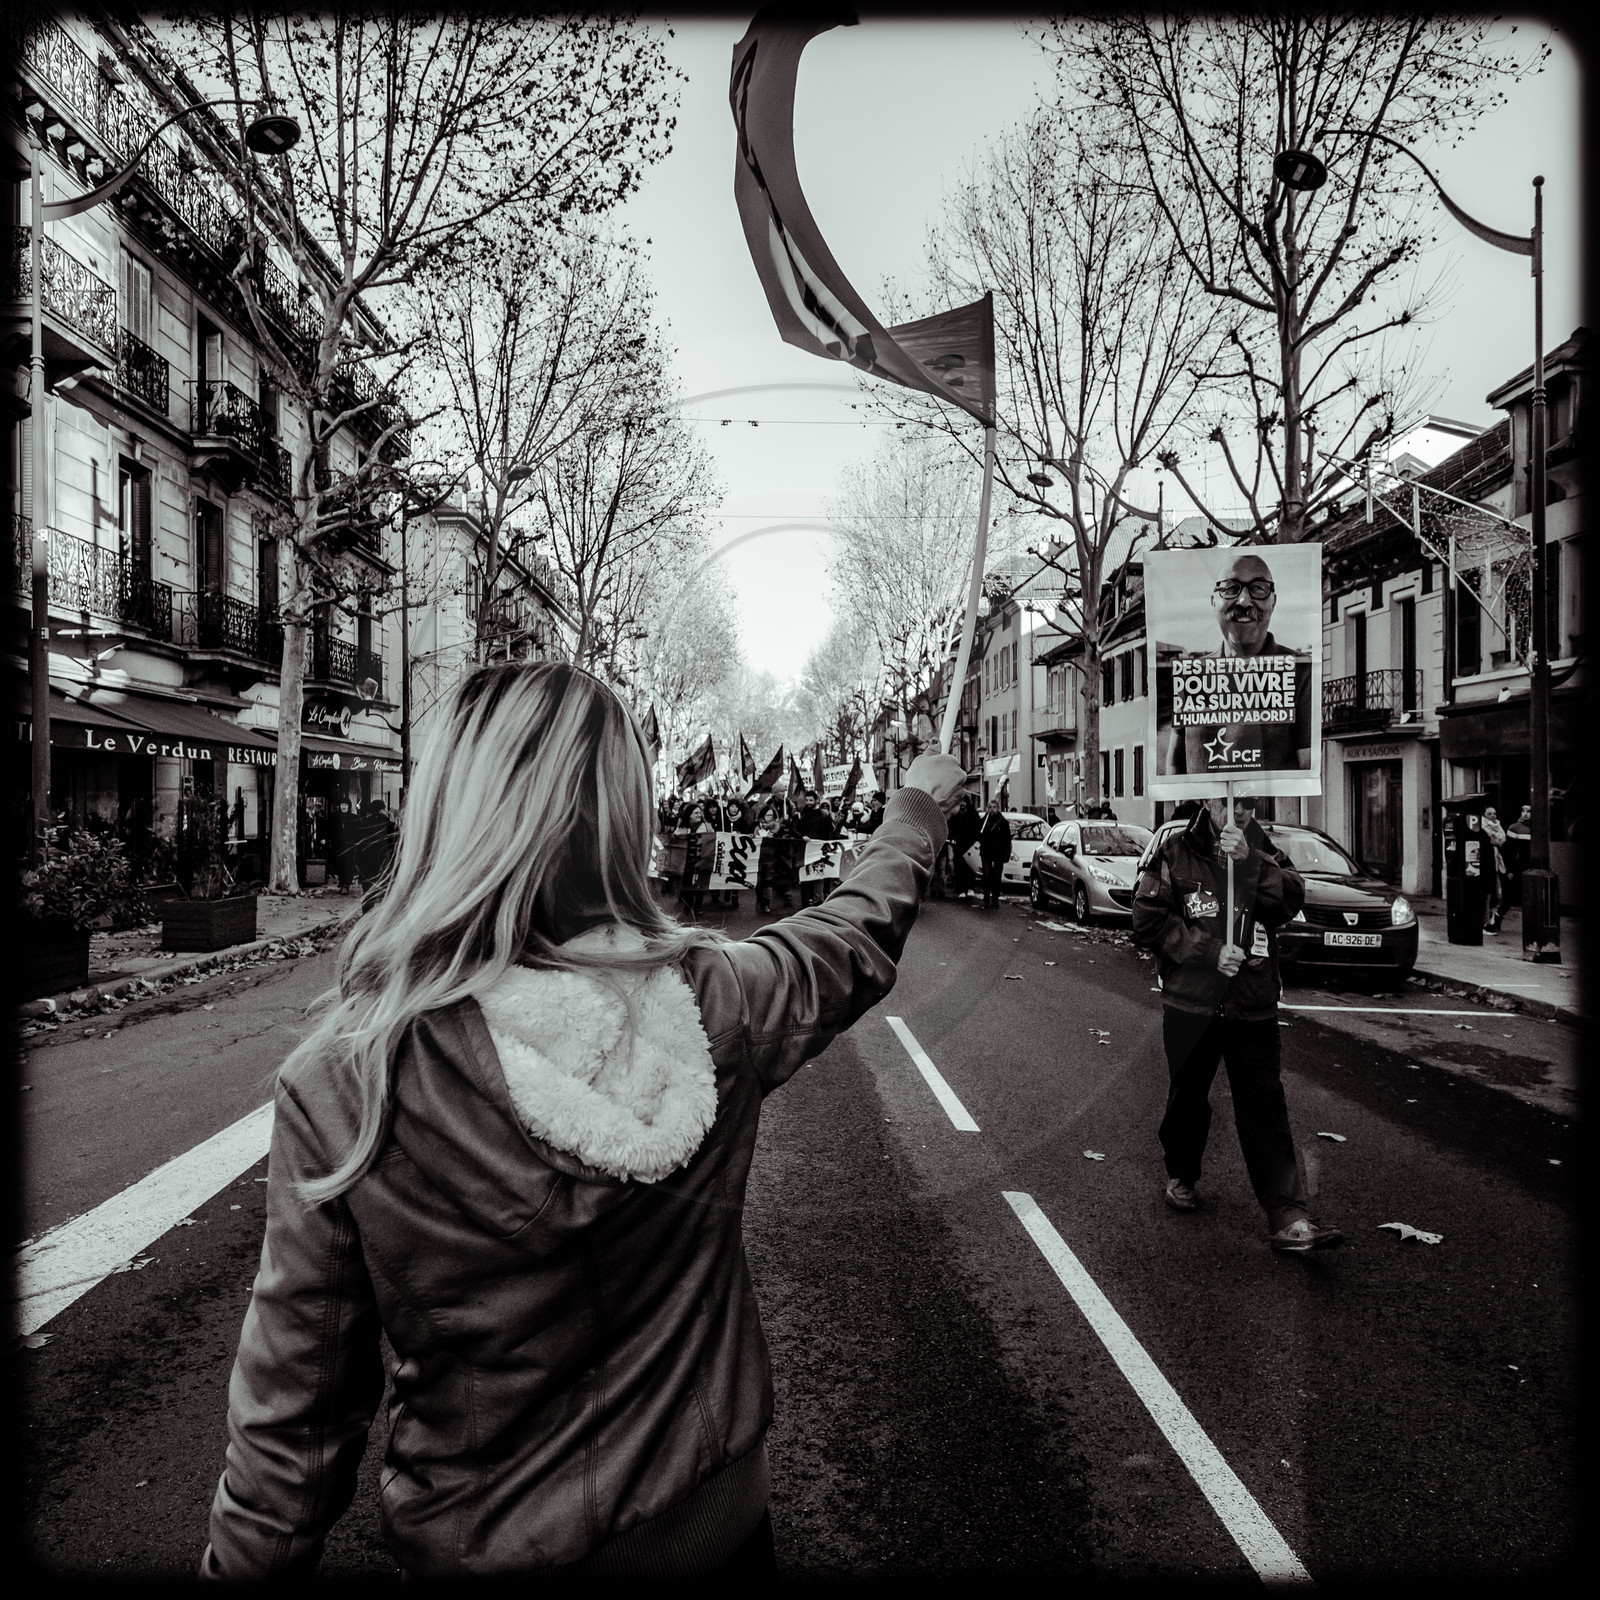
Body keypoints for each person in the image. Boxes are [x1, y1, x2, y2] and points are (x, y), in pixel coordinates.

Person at [200, 660, 966, 1581]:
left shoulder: (349, 1083)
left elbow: (291, 1432)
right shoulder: (711, 1005)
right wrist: (914, 812)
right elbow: (849, 936)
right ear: (622, 821)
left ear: (450, 811)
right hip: (715, 1533)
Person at [1131, 792, 1343, 1254]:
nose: (1240, 812)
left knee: (1264, 1105)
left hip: (1253, 1004)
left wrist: (1250, 863)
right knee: (1187, 1097)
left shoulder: (1264, 851)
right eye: (1231, 803)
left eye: (1248, 802)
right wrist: (1208, 952)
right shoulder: (1174, 852)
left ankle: (1288, 1214)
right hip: (1192, 1006)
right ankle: (1182, 1172)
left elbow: (1290, 900)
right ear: (1210, 799)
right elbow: (1146, 921)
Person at [1165, 551, 1314, 777]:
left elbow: (1308, 772)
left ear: (1273, 601)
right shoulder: (1191, 676)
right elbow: (1175, 766)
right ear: (1213, 601)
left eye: (1259, 588)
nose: (1244, 601)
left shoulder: (1301, 671)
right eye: (1230, 588)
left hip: (1269, 813)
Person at [356, 798, 397, 912]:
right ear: (382, 810)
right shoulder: (391, 825)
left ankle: (366, 920)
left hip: (367, 867)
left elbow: (358, 848)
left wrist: (359, 866)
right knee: (386, 894)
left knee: (368, 895)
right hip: (385, 865)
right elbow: (396, 847)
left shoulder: (363, 825)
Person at [977, 796, 1012, 909]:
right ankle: (986, 895)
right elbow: (978, 835)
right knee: (986, 874)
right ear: (987, 808)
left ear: (998, 808)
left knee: (997, 876)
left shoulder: (1003, 823)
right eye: (990, 807)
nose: (992, 809)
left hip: (999, 853)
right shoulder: (984, 821)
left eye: (994, 807)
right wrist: (980, 833)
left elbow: (1007, 840)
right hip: (986, 852)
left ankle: (995, 898)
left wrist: (1006, 854)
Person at [947, 793, 981, 902]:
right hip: (959, 844)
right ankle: (962, 889)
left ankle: (971, 887)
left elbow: (978, 827)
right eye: (960, 802)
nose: (962, 804)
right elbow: (950, 828)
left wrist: (976, 838)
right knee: (959, 866)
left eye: (964, 802)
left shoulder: (973, 814)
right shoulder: (955, 815)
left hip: (969, 844)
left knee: (970, 866)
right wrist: (951, 838)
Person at [1481, 805, 1509, 933]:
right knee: (1487, 894)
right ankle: (1486, 922)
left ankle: (1490, 920)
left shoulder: (1498, 826)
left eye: (1494, 813)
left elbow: (1501, 840)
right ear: (1484, 815)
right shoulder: (1482, 828)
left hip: (1496, 865)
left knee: (1497, 894)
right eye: (1489, 814)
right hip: (1487, 865)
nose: (1493, 816)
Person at [331, 799, 355, 894]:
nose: (343, 807)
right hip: (338, 845)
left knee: (348, 864)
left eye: (345, 805)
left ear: (349, 806)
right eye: (342, 805)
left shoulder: (354, 818)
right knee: (339, 864)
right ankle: (342, 881)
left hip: (350, 845)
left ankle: (346, 884)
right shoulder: (335, 817)